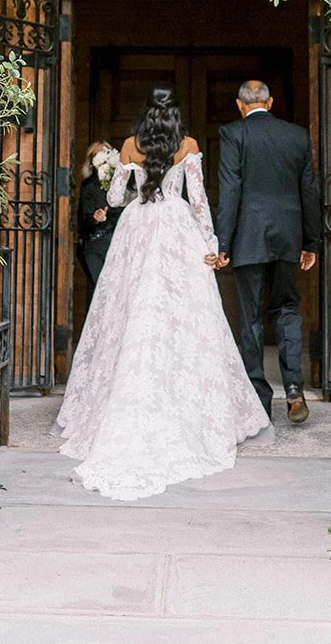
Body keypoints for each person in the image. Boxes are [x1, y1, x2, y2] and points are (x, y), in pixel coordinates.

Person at [53, 86, 270, 500]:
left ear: (147, 113)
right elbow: (199, 201)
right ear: (174, 114)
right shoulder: (187, 144)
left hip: (138, 225)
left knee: (129, 308)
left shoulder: (131, 146)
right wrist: (210, 243)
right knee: (182, 314)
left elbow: (116, 198)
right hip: (175, 225)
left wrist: (125, 179)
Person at [214, 80, 322, 426]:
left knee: (251, 318)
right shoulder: (296, 136)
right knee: (287, 309)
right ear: (270, 101)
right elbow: (309, 190)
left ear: (239, 104)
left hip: (248, 237)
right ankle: (293, 389)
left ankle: (258, 401)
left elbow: (230, 189)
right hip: (288, 237)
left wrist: (223, 243)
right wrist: (310, 242)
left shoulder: (233, 134)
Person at [75, 139, 121, 293]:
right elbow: (83, 221)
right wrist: (95, 217)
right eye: (97, 155)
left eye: (105, 153)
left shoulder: (120, 184)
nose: (103, 158)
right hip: (94, 245)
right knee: (101, 290)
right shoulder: (88, 186)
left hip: (117, 244)